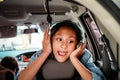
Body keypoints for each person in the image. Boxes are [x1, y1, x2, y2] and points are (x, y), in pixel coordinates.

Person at [18, 20, 106, 80]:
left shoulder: (84, 55)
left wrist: (74, 59)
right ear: (50, 41)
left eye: (70, 41)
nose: (64, 46)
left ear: (77, 45)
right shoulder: (40, 54)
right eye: (59, 39)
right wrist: (45, 53)